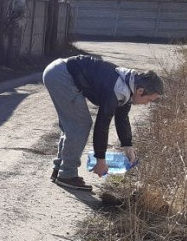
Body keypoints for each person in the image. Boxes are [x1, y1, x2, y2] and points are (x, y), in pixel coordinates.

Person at [42, 54, 165, 192]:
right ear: (140, 91)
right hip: (62, 76)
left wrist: (128, 146)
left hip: (58, 71)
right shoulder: (118, 89)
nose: (147, 104)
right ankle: (67, 174)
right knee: (80, 124)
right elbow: (102, 124)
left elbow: (122, 117)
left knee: (72, 125)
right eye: (149, 100)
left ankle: (59, 169)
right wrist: (100, 160)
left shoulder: (129, 83)